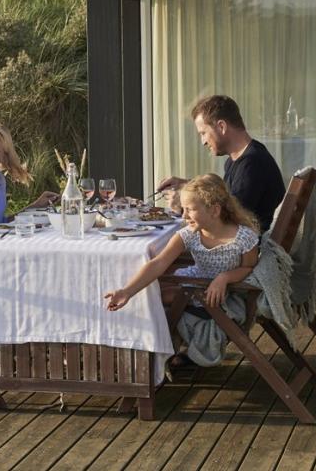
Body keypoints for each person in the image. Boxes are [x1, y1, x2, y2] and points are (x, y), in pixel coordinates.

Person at [104, 174, 260, 365]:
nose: (184, 216)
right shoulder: (190, 234)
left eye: (190, 210)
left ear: (215, 210)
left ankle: (155, 356)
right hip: (195, 283)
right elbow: (158, 263)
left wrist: (224, 278)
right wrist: (126, 291)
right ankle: (152, 352)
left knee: (152, 299)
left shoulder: (243, 237)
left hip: (222, 294)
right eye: (184, 209)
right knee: (148, 294)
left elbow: (249, 268)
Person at [157, 95, 286, 233]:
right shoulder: (240, 158)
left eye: (203, 133)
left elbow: (227, 219)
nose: (203, 141)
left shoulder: (252, 164)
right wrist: (187, 186)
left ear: (221, 126)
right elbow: (223, 198)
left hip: (249, 250)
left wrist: (185, 207)